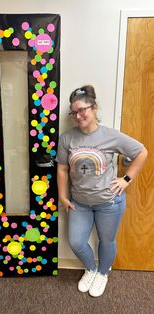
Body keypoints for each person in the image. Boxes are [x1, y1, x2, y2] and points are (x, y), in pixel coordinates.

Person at [56, 85, 148, 297]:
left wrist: (126, 179)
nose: (78, 116)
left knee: (107, 241)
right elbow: (62, 168)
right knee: (77, 242)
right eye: (74, 112)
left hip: (109, 203)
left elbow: (142, 152)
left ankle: (103, 273)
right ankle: (91, 269)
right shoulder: (67, 138)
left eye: (82, 110)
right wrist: (63, 195)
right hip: (79, 203)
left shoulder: (111, 136)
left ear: (94, 107)